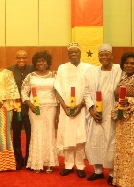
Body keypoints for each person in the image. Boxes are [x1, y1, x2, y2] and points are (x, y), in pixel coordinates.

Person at [83, 43, 122, 185]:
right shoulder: (91, 72)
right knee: (95, 140)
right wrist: (91, 110)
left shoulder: (119, 70)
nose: (104, 57)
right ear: (98, 56)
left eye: (107, 54)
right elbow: (86, 93)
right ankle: (98, 171)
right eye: (101, 55)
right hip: (96, 114)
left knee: (111, 141)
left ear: (112, 55)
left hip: (113, 112)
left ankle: (112, 173)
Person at [54, 42, 93, 178]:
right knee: (68, 137)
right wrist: (64, 107)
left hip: (82, 109)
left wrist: (81, 105)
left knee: (80, 137)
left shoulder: (89, 68)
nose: (74, 54)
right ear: (68, 54)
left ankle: (81, 166)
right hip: (66, 109)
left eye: (76, 52)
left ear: (80, 53)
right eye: (71, 52)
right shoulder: (62, 68)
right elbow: (57, 88)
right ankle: (68, 165)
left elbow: (92, 89)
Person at [21, 50, 59, 173]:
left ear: (48, 62)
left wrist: (59, 108)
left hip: (50, 107)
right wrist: (29, 104)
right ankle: (37, 162)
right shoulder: (30, 76)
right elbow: (23, 92)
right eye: (38, 61)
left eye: (43, 61)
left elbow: (58, 92)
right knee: (37, 133)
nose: (41, 63)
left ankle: (49, 163)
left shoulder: (54, 75)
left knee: (49, 133)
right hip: (34, 108)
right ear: (35, 63)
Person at [7, 50, 33, 170]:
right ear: (15, 58)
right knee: (16, 135)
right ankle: (18, 160)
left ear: (27, 58)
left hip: (30, 109)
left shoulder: (32, 70)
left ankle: (28, 159)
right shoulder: (9, 71)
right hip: (15, 109)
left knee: (30, 135)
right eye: (19, 58)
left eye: (24, 57)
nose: (21, 60)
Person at [112, 52, 134, 187]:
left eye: (132, 63)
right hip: (123, 119)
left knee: (131, 150)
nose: (129, 65)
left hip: (132, 120)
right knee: (122, 148)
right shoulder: (124, 78)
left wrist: (130, 100)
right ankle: (122, 179)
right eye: (126, 63)